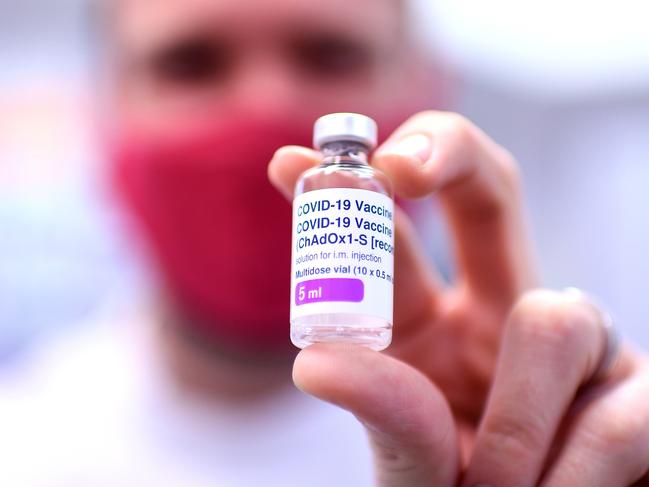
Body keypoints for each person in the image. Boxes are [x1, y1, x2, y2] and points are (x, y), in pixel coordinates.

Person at [2, 0, 649, 485]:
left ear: (428, 92)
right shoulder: (24, 450)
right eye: (190, 63)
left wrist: (561, 446)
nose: (266, 103)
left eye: (329, 54)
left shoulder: (514, 421)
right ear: (102, 110)